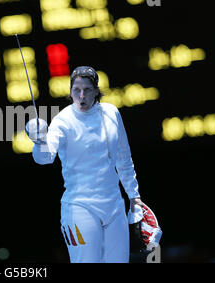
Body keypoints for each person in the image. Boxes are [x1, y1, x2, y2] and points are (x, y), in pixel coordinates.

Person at [27, 66, 145, 263]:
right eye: (76, 90)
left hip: (114, 207)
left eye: (87, 90)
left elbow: (124, 158)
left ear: (96, 91)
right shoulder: (63, 121)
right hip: (80, 208)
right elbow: (45, 158)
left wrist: (134, 196)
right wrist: (39, 142)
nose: (81, 95)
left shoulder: (111, 113)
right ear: (71, 91)